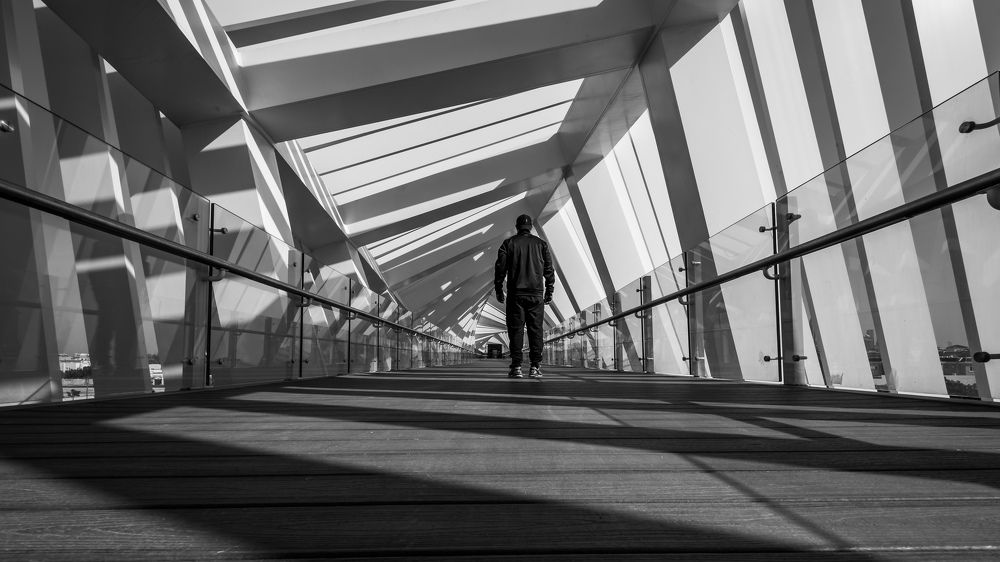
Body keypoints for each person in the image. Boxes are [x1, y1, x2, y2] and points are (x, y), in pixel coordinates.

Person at [494, 214, 554, 378]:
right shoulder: (541, 244)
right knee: (536, 331)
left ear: (517, 226)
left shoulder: (509, 243)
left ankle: (516, 367)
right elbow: (549, 269)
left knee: (516, 330)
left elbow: (500, 268)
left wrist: (499, 289)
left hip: (516, 294)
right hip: (536, 294)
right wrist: (549, 290)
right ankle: (535, 366)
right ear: (531, 227)